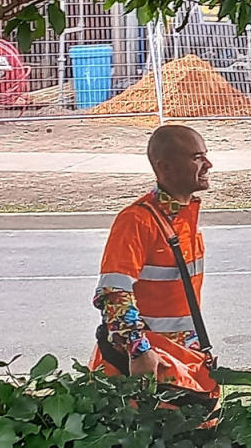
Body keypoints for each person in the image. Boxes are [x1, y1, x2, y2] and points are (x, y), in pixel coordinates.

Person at [89, 124, 219, 411]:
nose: (208, 164)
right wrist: (139, 351)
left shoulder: (184, 218)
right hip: (145, 368)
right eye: (197, 157)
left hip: (179, 360)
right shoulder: (136, 221)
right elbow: (114, 293)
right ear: (165, 166)